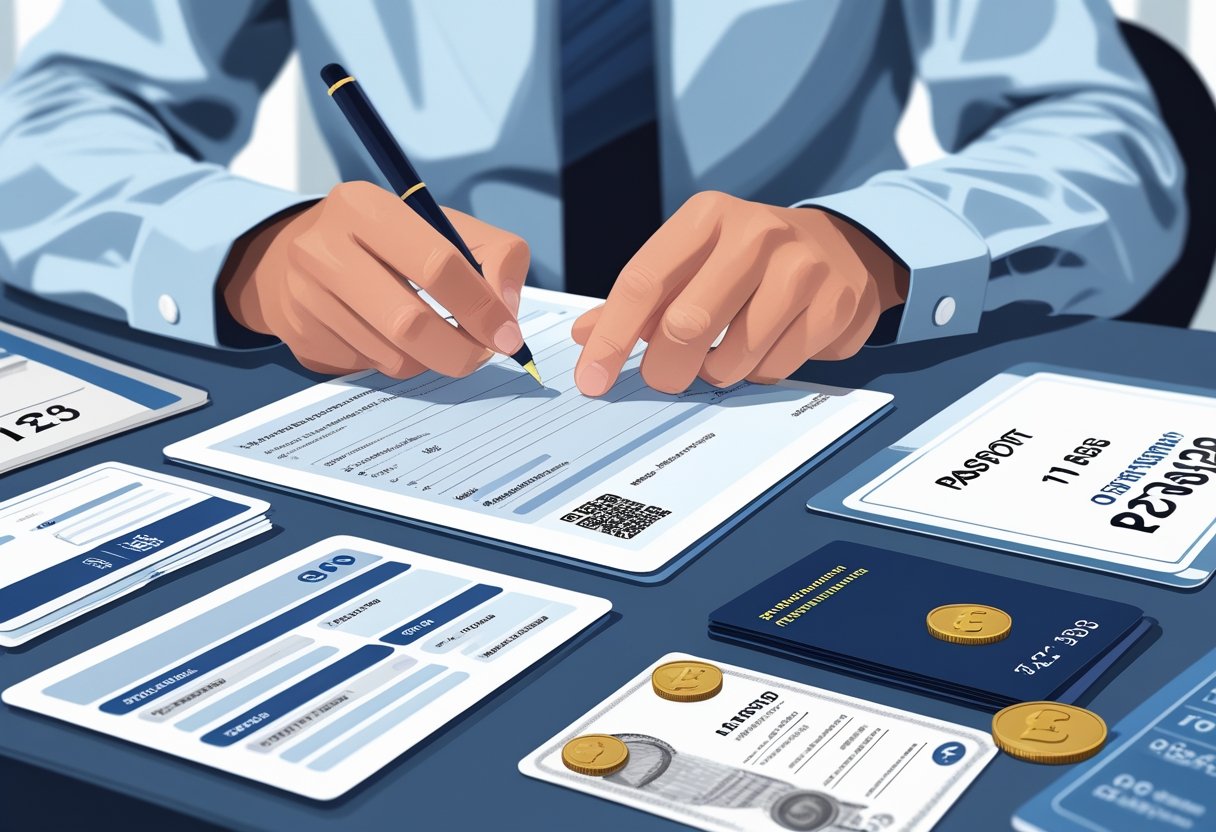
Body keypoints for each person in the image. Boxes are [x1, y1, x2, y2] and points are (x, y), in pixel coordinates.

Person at [0, 1, 1185, 397]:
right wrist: (249, 248)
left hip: (805, 374)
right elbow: (46, 121)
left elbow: (1103, 134)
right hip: (428, 382)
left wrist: (871, 246)